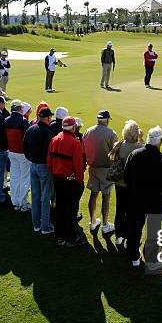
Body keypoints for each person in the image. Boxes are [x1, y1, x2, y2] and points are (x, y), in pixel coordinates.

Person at [123, 126, 162, 270]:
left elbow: (126, 176)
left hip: (136, 200)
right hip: (156, 203)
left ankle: (134, 258)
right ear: (159, 141)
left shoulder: (135, 154)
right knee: (153, 231)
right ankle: (151, 259)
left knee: (135, 228)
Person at [47, 116, 85, 247]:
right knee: (70, 210)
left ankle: (60, 236)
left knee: (60, 208)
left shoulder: (54, 139)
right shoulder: (75, 143)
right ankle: (71, 238)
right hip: (70, 181)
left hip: (57, 179)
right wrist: (80, 181)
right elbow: (78, 166)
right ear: (73, 127)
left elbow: (49, 161)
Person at [83, 110, 119, 235]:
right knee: (106, 197)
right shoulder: (111, 133)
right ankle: (105, 224)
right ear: (107, 120)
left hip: (92, 168)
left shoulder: (88, 131)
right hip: (106, 170)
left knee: (93, 195)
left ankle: (93, 222)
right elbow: (115, 153)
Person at [109, 120, 144, 246]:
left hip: (119, 183)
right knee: (131, 212)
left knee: (120, 209)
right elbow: (145, 151)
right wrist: (141, 138)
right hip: (132, 185)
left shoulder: (119, 144)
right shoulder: (139, 147)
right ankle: (129, 237)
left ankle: (119, 236)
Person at [23, 106, 55, 234]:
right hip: (44, 168)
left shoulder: (30, 129)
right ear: (47, 118)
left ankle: (36, 225)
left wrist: (31, 158)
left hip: (33, 165)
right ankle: (45, 227)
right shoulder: (49, 133)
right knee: (45, 197)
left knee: (35, 196)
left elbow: (24, 146)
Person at [5, 100, 31, 211]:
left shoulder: (6, 120)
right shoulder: (23, 121)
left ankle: (15, 201)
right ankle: (22, 203)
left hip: (11, 152)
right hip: (22, 153)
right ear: (20, 108)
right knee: (24, 177)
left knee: (15, 176)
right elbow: (27, 139)